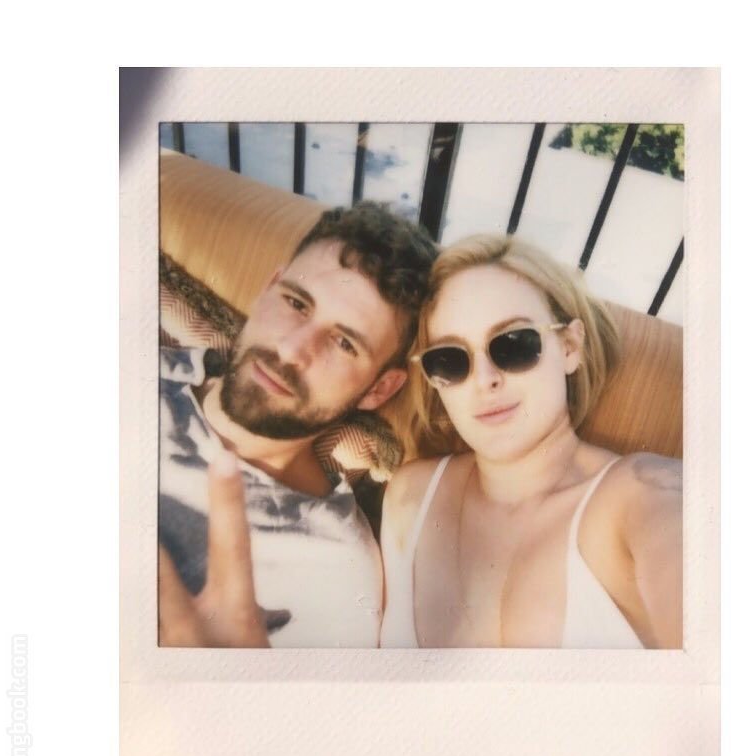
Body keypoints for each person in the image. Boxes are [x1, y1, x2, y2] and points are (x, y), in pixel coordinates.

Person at [379, 234, 682, 649]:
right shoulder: (409, 496)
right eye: (450, 359)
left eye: (514, 345)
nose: (485, 379)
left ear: (570, 347)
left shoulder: (640, 496)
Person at [158, 202, 437, 648]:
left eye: (344, 342)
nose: (291, 349)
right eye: (295, 303)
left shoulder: (334, 573)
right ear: (268, 289)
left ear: (379, 389)